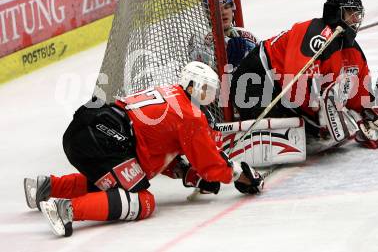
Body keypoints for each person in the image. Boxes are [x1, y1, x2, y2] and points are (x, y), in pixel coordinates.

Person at [24, 61, 264, 237]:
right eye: (206, 90)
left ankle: (46, 186)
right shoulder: (190, 115)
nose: (208, 98)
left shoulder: (168, 93)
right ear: (193, 86)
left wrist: (188, 174)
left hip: (92, 125)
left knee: (112, 182)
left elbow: (157, 149)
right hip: (108, 136)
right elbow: (210, 164)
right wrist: (239, 174)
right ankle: (66, 210)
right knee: (143, 201)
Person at [230, 0, 378, 150]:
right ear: (336, 13)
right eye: (351, 13)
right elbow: (296, 85)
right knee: (291, 139)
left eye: (357, 14)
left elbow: (356, 81)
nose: (356, 18)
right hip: (255, 80)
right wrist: (318, 117)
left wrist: (366, 113)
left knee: (318, 135)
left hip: (280, 91)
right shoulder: (315, 33)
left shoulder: (349, 47)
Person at [190, 0, 258, 70]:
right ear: (208, 14)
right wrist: (226, 68)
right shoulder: (199, 40)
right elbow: (201, 77)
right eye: (218, 9)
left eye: (226, 7)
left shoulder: (248, 37)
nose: (224, 12)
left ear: (232, 9)